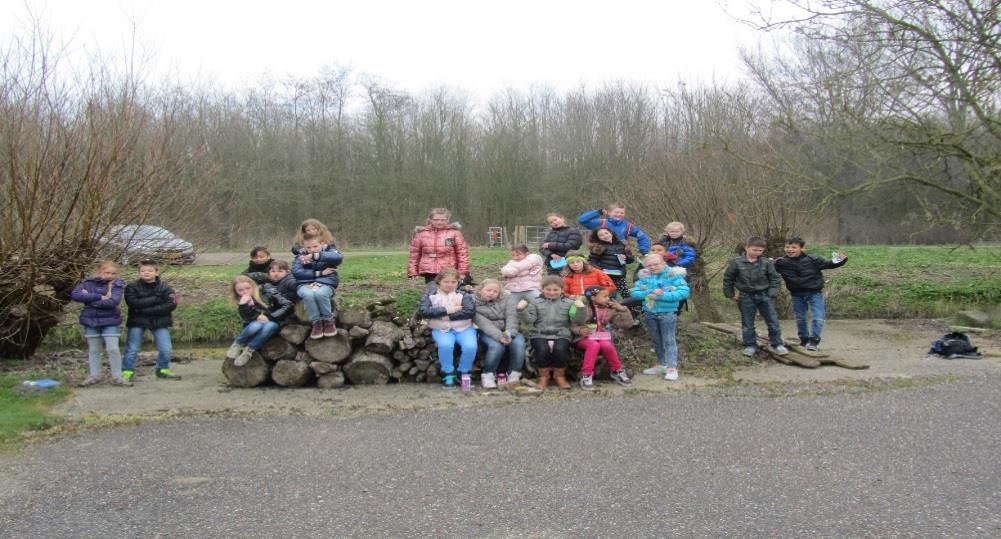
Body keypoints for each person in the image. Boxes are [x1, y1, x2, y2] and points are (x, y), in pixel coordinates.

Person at [774, 238, 848, 351]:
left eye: (794, 247)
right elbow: (767, 269)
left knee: (818, 317)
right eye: (787, 247)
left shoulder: (813, 259)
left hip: (814, 293)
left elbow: (829, 264)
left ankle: (814, 341)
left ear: (802, 248)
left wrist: (841, 259)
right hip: (796, 294)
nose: (790, 250)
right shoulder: (781, 263)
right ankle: (804, 340)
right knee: (800, 318)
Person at [722, 237, 789, 357]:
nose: (757, 252)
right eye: (754, 249)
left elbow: (774, 278)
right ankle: (750, 345)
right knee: (747, 323)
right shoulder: (736, 262)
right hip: (745, 296)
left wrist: (772, 293)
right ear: (746, 247)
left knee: (772, 321)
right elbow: (728, 279)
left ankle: (777, 344)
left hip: (764, 295)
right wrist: (730, 294)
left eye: (760, 250)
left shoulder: (766, 263)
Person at [521, 276, 589, 390]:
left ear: (562, 290)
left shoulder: (569, 302)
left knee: (560, 349)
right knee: (542, 349)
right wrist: (521, 310)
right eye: (548, 289)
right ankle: (544, 377)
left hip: (561, 334)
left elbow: (578, 321)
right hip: (539, 334)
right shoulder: (535, 302)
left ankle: (560, 376)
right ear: (542, 289)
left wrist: (581, 309)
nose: (552, 292)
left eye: (555, 290)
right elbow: (529, 320)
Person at [70, 261, 130, 386]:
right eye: (107, 272)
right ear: (99, 272)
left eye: (113, 273)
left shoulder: (117, 284)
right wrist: (99, 296)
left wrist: (89, 300)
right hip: (91, 320)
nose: (110, 275)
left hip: (110, 320)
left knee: (113, 349)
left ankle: (117, 376)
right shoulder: (87, 283)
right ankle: (94, 375)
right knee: (94, 350)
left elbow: (114, 302)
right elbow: (75, 295)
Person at [632, 254, 690, 381]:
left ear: (664, 263)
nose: (653, 267)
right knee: (656, 340)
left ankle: (672, 368)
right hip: (649, 312)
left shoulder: (673, 275)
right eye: (649, 265)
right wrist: (649, 293)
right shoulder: (645, 276)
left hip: (667, 313)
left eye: (656, 264)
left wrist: (662, 296)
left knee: (669, 340)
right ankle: (661, 365)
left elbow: (684, 292)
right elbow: (635, 292)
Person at [416, 268, 477, 389]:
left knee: (470, 346)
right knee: (446, 345)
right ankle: (448, 372)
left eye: (453, 282)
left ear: (458, 282)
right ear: (438, 282)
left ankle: (463, 372)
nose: (450, 285)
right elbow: (424, 311)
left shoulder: (464, 295)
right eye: (446, 282)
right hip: (441, 329)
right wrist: (449, 310)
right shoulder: (430, 296)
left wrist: (440, 315)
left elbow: (469, 312)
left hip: (464, 328)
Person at [122, 259, 180, 381]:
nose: (146, 273)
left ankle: (163, 369)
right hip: (137, 321)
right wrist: (156, 298)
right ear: (139, 273)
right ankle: (127, 371)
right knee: (132, 348)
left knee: (166, 348)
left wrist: (147, 310)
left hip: (159, 321)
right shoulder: (131, 287)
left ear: (156, 272)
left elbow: (172, 303)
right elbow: (133, 303)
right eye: (143, 271)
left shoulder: (166, 287)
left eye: (150, 270)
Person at [571, 285, 633, 390]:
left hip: (601, 337)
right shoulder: (581, 306)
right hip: (582, 337)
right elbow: (572, 324)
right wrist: (580, 330)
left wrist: (622, 310)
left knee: (607, 345)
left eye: (608, 296)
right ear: (593, 298)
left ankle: (617, 370)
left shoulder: (609, 308)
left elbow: (626, 325)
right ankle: (586, 375)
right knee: (594, 345)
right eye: (604, 296)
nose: (608, 298)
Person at [226, 275, 294, 366]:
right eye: (240, 290)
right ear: (235, 291)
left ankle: (249, 350)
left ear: (253, 286)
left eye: (247, 288)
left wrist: (269, 316)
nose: (245, 292)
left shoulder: (267, 291)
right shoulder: (242, 300)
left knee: (270, 325)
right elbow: (247, 318)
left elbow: (288, 305)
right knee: (256, 325)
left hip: (274, 321)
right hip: (254, 324)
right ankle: (238, 343)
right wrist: (243, 306)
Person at [473, 279, 526, 389]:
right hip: (488, 332)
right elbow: (485, 324)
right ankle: (488, 375)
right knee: (496, 346)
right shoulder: (474, 304)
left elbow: (512, 317)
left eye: (495, 291)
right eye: (488, 290)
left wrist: (509, 334)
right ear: (480, 290)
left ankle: (513, 375)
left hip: (509, 330)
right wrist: (500, 336)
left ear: (499, 293)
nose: (491, 293)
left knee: (519, 344)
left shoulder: (507, 299)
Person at [292, 234, 343, 339]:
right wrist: (319, 273)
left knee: (320, 293)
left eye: (315, 246)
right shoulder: (300, 257)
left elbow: (338, 258)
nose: (312, 250)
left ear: (322, 244)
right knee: (308, 294)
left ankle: (328, 320)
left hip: (326, 283)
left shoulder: (329, 253)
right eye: (308, 247)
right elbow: (297, 272)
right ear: (303, 246)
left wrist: (316, 256)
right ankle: (316, 323)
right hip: (304, 284)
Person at [407, 207, 470, 285]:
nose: (439, 222)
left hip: (449, 270)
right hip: (429, 271)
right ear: (430, 220)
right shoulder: (421, 234)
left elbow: (462, 254)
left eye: (443, 220)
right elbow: (414, 255)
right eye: (436, 220)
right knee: (433, 293)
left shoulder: (454, 233)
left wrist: (462, 272)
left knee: (449, 293)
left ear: (448, 220)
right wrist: (413, 271)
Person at [577, 202, 652, 256]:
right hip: (600, 255)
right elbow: (582, 220)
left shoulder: (628, 226)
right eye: (616, 212)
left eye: (622, 213)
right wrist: (598, 212)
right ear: (609, 212)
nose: (619, 214)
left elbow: (642, 236)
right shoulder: (600, 223)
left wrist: (643, 250)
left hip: (619, 256)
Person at [587, 227, 634, 301]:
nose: (605, 236)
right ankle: (610, 310)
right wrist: (601, 270)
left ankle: (633, 310)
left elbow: (631, 260)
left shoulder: (622, 244)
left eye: (606, 233)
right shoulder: (599, 247)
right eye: (601, 235)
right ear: (598, 238)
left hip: (619, 275)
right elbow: (591, 261)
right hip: (606, 276)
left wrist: (626, 258)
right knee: (610, 295)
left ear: (611, 233)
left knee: (626, 295)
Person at [499, 244, 543, 309]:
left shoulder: (533, 259)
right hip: (513, 290)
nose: (515, 257)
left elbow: (510, 272)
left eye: (518, 255)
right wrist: (522, 271)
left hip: (531, 288)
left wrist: (513, 273)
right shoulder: (511, 262)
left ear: (527, 253)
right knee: (508, 306)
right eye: (513, 255)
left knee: (540, 302)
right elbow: (504, 271)